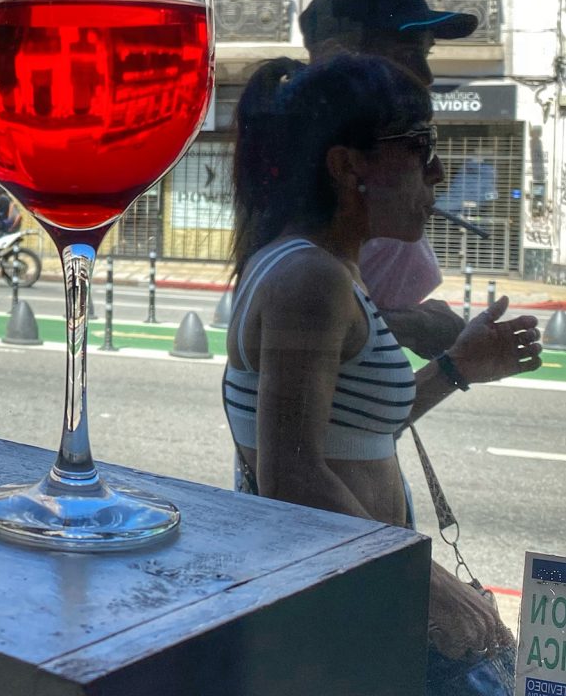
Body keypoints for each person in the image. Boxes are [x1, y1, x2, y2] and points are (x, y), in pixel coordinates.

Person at [224, 53, 542, 691]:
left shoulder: (318, 267)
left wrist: (456, 367)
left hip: (346, 597)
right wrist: (425, 585)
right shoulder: (309, 278)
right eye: (419, 148)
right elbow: (293, 471)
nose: (439, 174)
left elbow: (348, 436)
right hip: (340, 612)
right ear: (347, 167)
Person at [299, 0, 478, 358]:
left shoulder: (370, 179)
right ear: (334, 58)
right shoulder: (313, 191)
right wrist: (411, 328)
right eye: (407, 52)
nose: (427, 75)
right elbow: (300, 316)